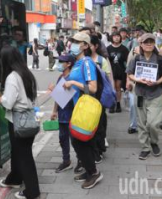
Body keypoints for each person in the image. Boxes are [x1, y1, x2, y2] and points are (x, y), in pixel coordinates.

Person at [0, 46, 40, 199]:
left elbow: (8, 103)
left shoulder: (12, 77)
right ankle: (15, 179)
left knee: (24, 157)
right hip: (28, 118)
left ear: (6, 60)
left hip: (19, 121)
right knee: (20, 153)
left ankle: (32, 192)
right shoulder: (25, 73)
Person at [63, 32, 103, 189]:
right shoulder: (77, 62)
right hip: (78, 107)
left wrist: (72, 81)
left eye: (77, 41)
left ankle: (93, 173)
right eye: (72, 40)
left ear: (85, 46)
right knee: (81, 141)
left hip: (85, 108)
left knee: (79, 141)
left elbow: (92, 88)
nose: (72, 43)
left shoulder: (87, 62)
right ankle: (89, 170)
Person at [126, 33, 162, 160]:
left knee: (153, 123)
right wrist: (138, 80)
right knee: (141, 123)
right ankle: (145, 147)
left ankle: (154, 142)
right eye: (146, 42)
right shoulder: (136, 58)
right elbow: (129, 73)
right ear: (141, 44)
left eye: (151, 42)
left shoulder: (160, 59)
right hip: (140, 94)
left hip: (156, 94)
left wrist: (157, 81)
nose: (149, 44)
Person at [89, 35, 114, 163]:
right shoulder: (82, 60)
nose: (86, 47)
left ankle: (98, 150)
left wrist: (111, 93)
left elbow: (108, 80)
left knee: (99, 124)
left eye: (89, 44)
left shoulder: (101, 60)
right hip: (85, 99)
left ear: (96, 46)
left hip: (99, 97)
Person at [51, 54, 75, 173]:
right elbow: (57, 96)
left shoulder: (73, 78)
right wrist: (54, 111)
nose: (60, 63)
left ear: (69, 64)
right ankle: (66, 161)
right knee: (62, 138)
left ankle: (81, 161)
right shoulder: (61, 77)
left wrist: (54, 91)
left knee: (75, 140)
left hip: (72, 114)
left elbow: (68, 97)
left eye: (62, 61)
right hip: (62, 114)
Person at [107, 32, 129, 113]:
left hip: (120, 71)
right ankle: (112, 104)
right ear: (111, 38)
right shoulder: (108, 48)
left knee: (118, 87)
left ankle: (118, 103)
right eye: (114, 36)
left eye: (118, 36)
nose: (116, 38)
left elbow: (128, 61)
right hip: (110, 71)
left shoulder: (124, 49)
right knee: (111, 88)